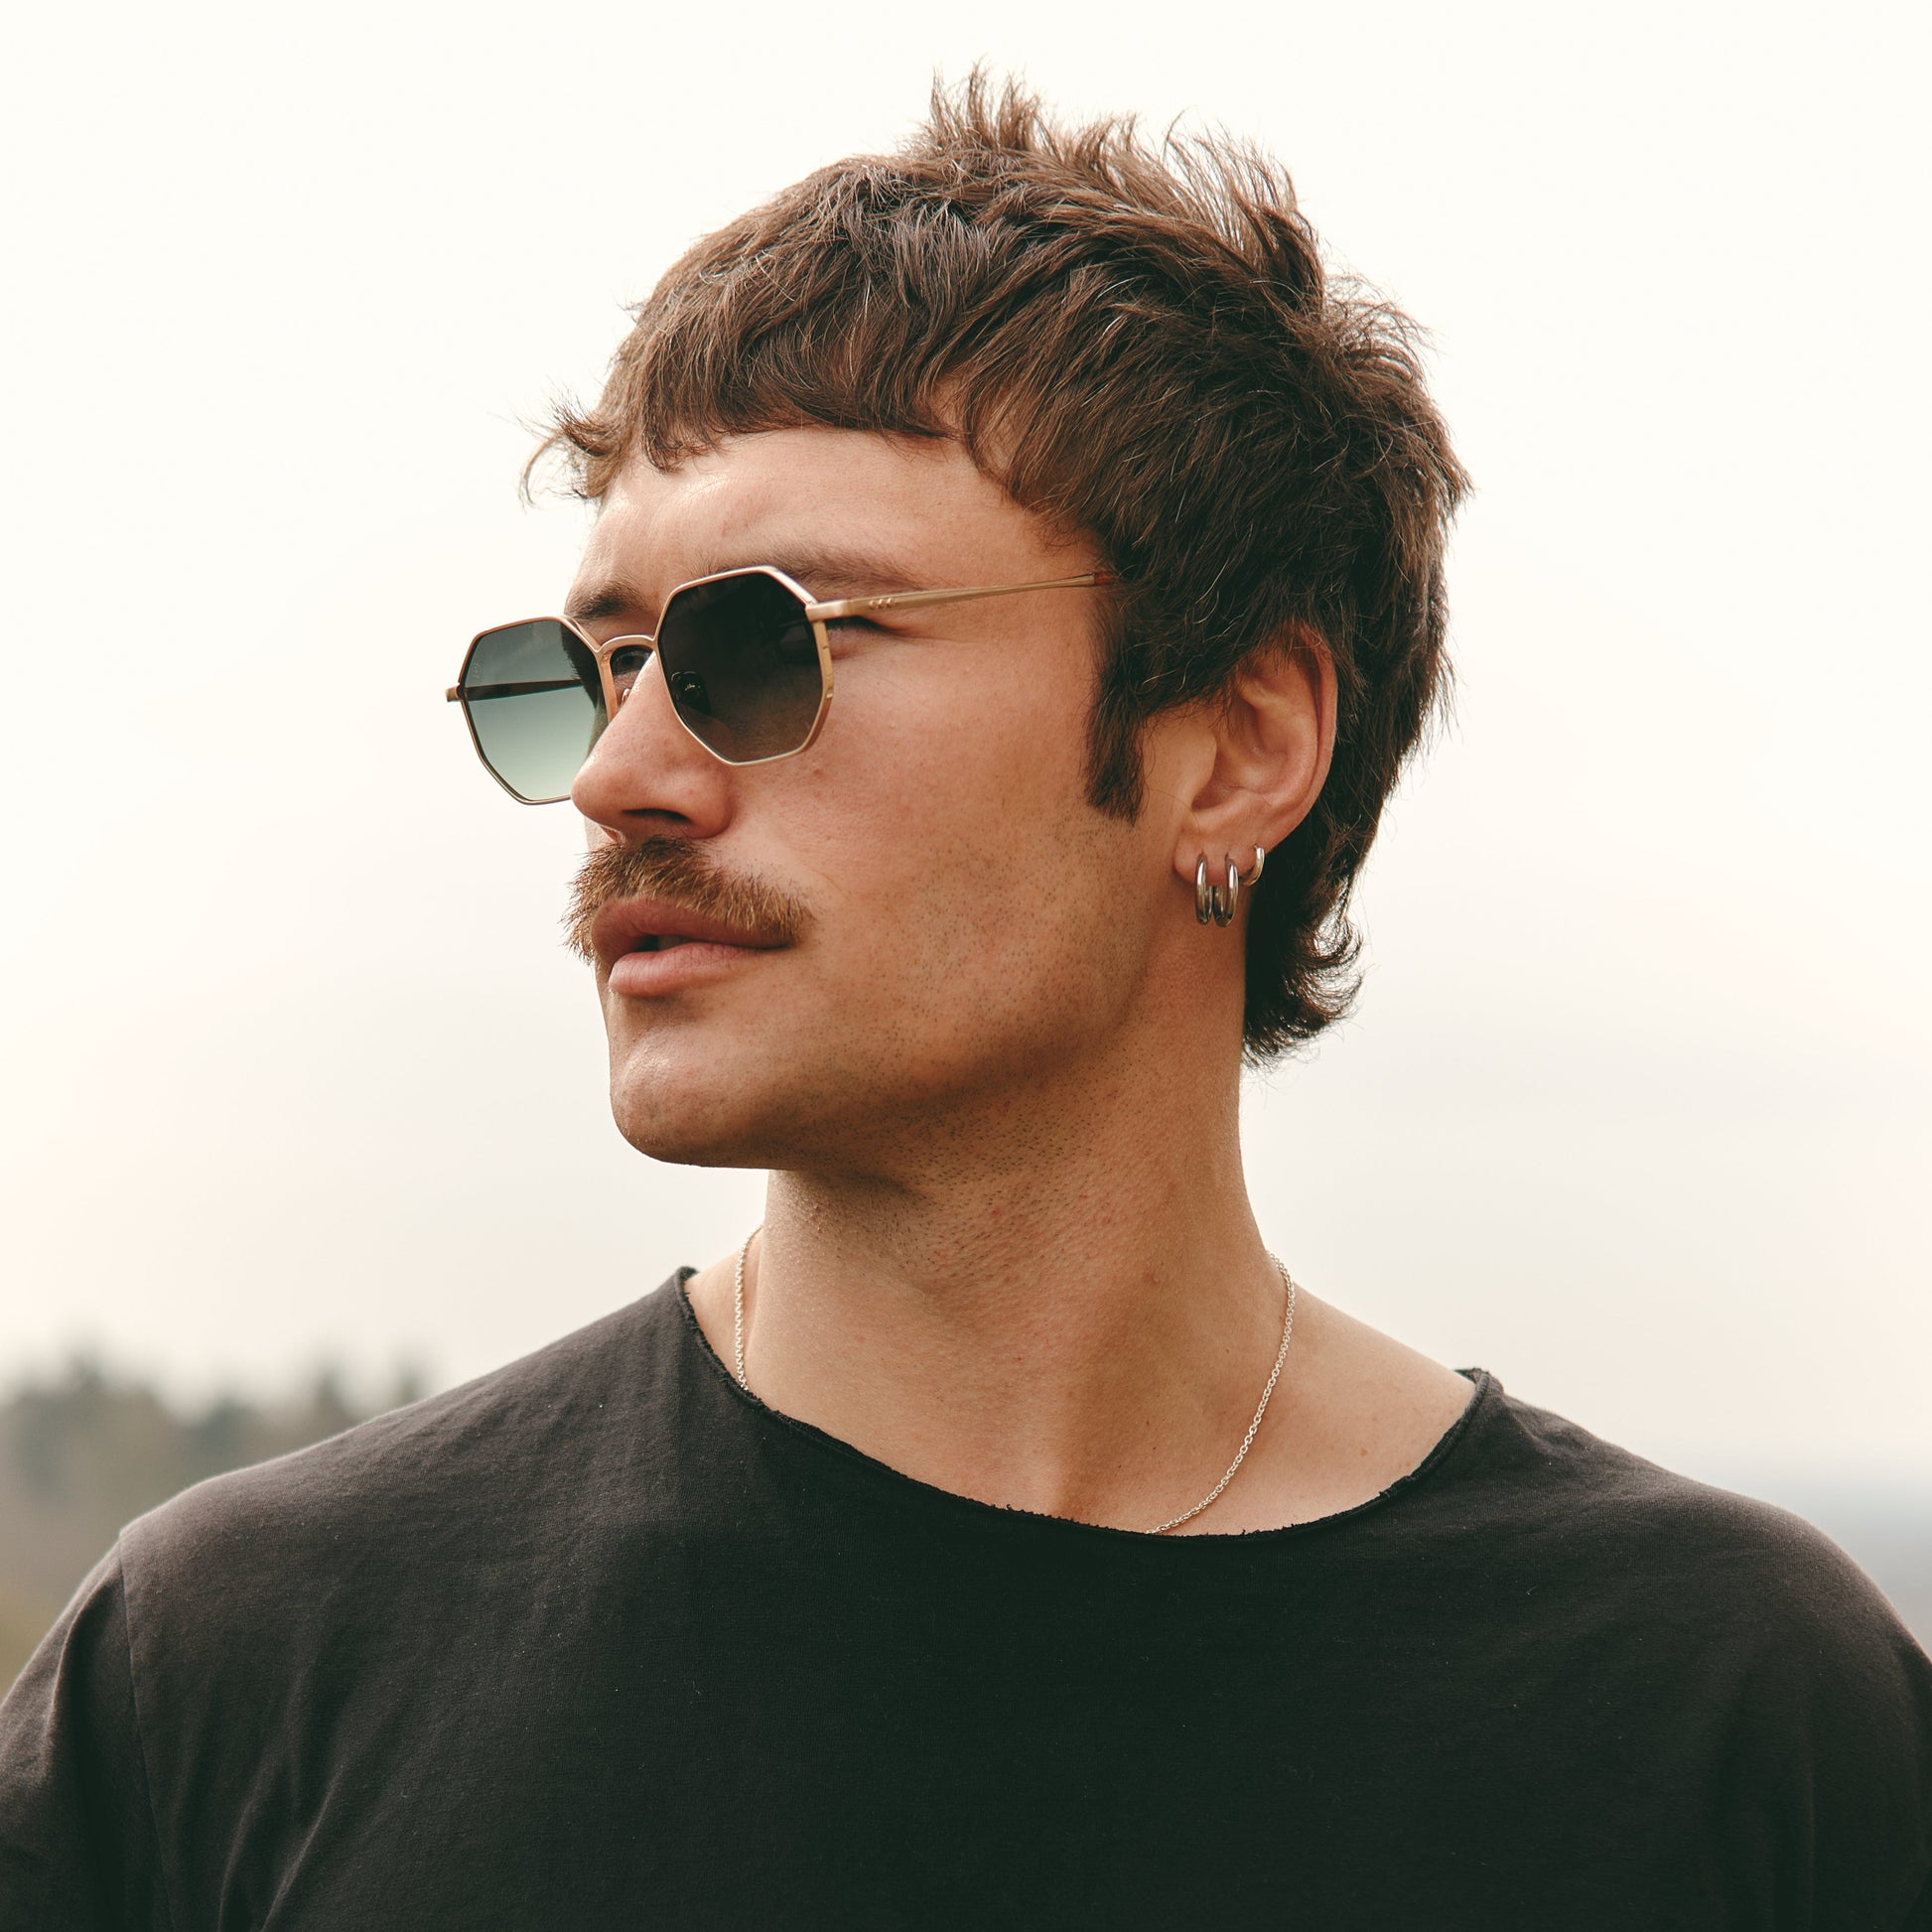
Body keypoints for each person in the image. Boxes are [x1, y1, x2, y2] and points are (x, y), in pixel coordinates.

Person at [3, 75, 1928, 1930]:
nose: (617, 775)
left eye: (765, 644)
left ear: (1236, 746)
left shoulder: (1732, 1726)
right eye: (588, 669)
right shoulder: (232, 1680)